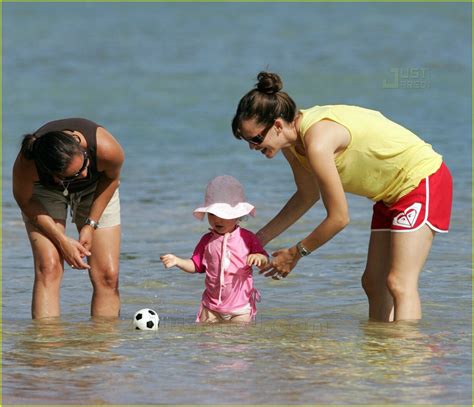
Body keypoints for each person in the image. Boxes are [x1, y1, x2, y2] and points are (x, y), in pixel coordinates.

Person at [231, 72, 452, 322]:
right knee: (373, 282)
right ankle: (382, 355)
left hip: (421, 180)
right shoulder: (292, 144)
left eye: (256, 138)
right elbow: (306, 195)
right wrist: (257, 240)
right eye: (247, 141)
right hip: (388, 195)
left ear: (278, 125)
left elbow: (339, 218)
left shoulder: (317, 142)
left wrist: (295, 253)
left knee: (399, 282)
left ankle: (408, 355)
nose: (252, 147)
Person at [12, 118, 124, 319]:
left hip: (98, 187)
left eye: (84, 165)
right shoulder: (28, 164)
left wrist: (90, 225)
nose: (83, 174)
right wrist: (61, 240)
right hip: (45, 192)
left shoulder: (106, 149)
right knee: (49, 266)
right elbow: (25, 200)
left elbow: (111, 179)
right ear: (52, 173)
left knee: (107, 275)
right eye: (74, 174)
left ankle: (102, 347)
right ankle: (46, 345)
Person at [160, 175, 268, 323]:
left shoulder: (247, 238)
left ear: (238, 216)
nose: (217, 219)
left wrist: (259, 258)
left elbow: (264, 259)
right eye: (212, 214)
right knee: (208, 342)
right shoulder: (207, 240)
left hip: (240, 308)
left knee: (241, 341)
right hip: (211, 307)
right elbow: (196, 265)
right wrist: (177, 261)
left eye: (223, 215)